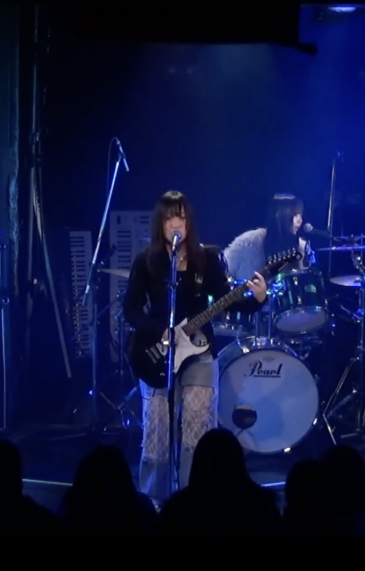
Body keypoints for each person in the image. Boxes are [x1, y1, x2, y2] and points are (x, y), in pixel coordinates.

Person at [123, 191, 269, 501]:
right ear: (160, 223)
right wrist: (159, 330)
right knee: (157, 438)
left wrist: (258, 300)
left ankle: (194, 503)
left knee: (197, 436)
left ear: (189, 222)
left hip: (200, 352)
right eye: (169, 218)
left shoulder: (207, 259)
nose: (176, 224)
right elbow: (131, 309)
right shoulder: (146, 261)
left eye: (181, 217)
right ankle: (153, 503)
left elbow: (228, 300)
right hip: (157, 352)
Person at [223, 193, 312, 281]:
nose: (300, 220)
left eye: (300, 215)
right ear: (280, 215)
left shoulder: (301, 246)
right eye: (295, 215)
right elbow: (223, 270)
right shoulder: (249, 241)